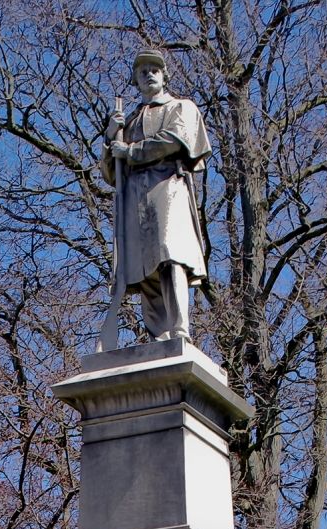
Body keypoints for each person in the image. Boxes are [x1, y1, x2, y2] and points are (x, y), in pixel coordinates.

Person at [102, 48, 211, 342]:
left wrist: (132, 151)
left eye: (154, 69)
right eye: (142, 71)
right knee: (141, 268)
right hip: (135, 197)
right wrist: (111, 136)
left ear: (164, 75)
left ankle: (179, 329)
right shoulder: (131, 120)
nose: (149, 74)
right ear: (136, 80)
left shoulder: (180, 107)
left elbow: (176, 139)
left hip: (167, 187)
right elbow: (112, 174)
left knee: (169, 256)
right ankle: (159, 336)